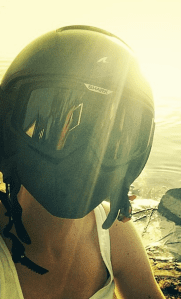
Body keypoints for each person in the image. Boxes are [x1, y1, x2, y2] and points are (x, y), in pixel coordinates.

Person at [0, 25, 165, 299]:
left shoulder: (115, 235)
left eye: (112, 139)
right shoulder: (113, 236)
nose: (85, 158)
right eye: (56, 129)